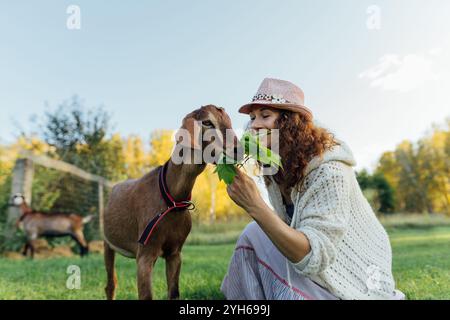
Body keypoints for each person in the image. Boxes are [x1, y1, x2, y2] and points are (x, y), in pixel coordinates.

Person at [221, 78, 405, 300]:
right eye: (252, 118)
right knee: (254, 232)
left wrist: (255, 205)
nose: (255, 125)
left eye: (265, 115)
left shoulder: (330, 171)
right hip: (312, 266)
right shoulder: (277, 169)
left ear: (289, 123)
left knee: (258, 226)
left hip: (350, 274)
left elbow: (315, 256)